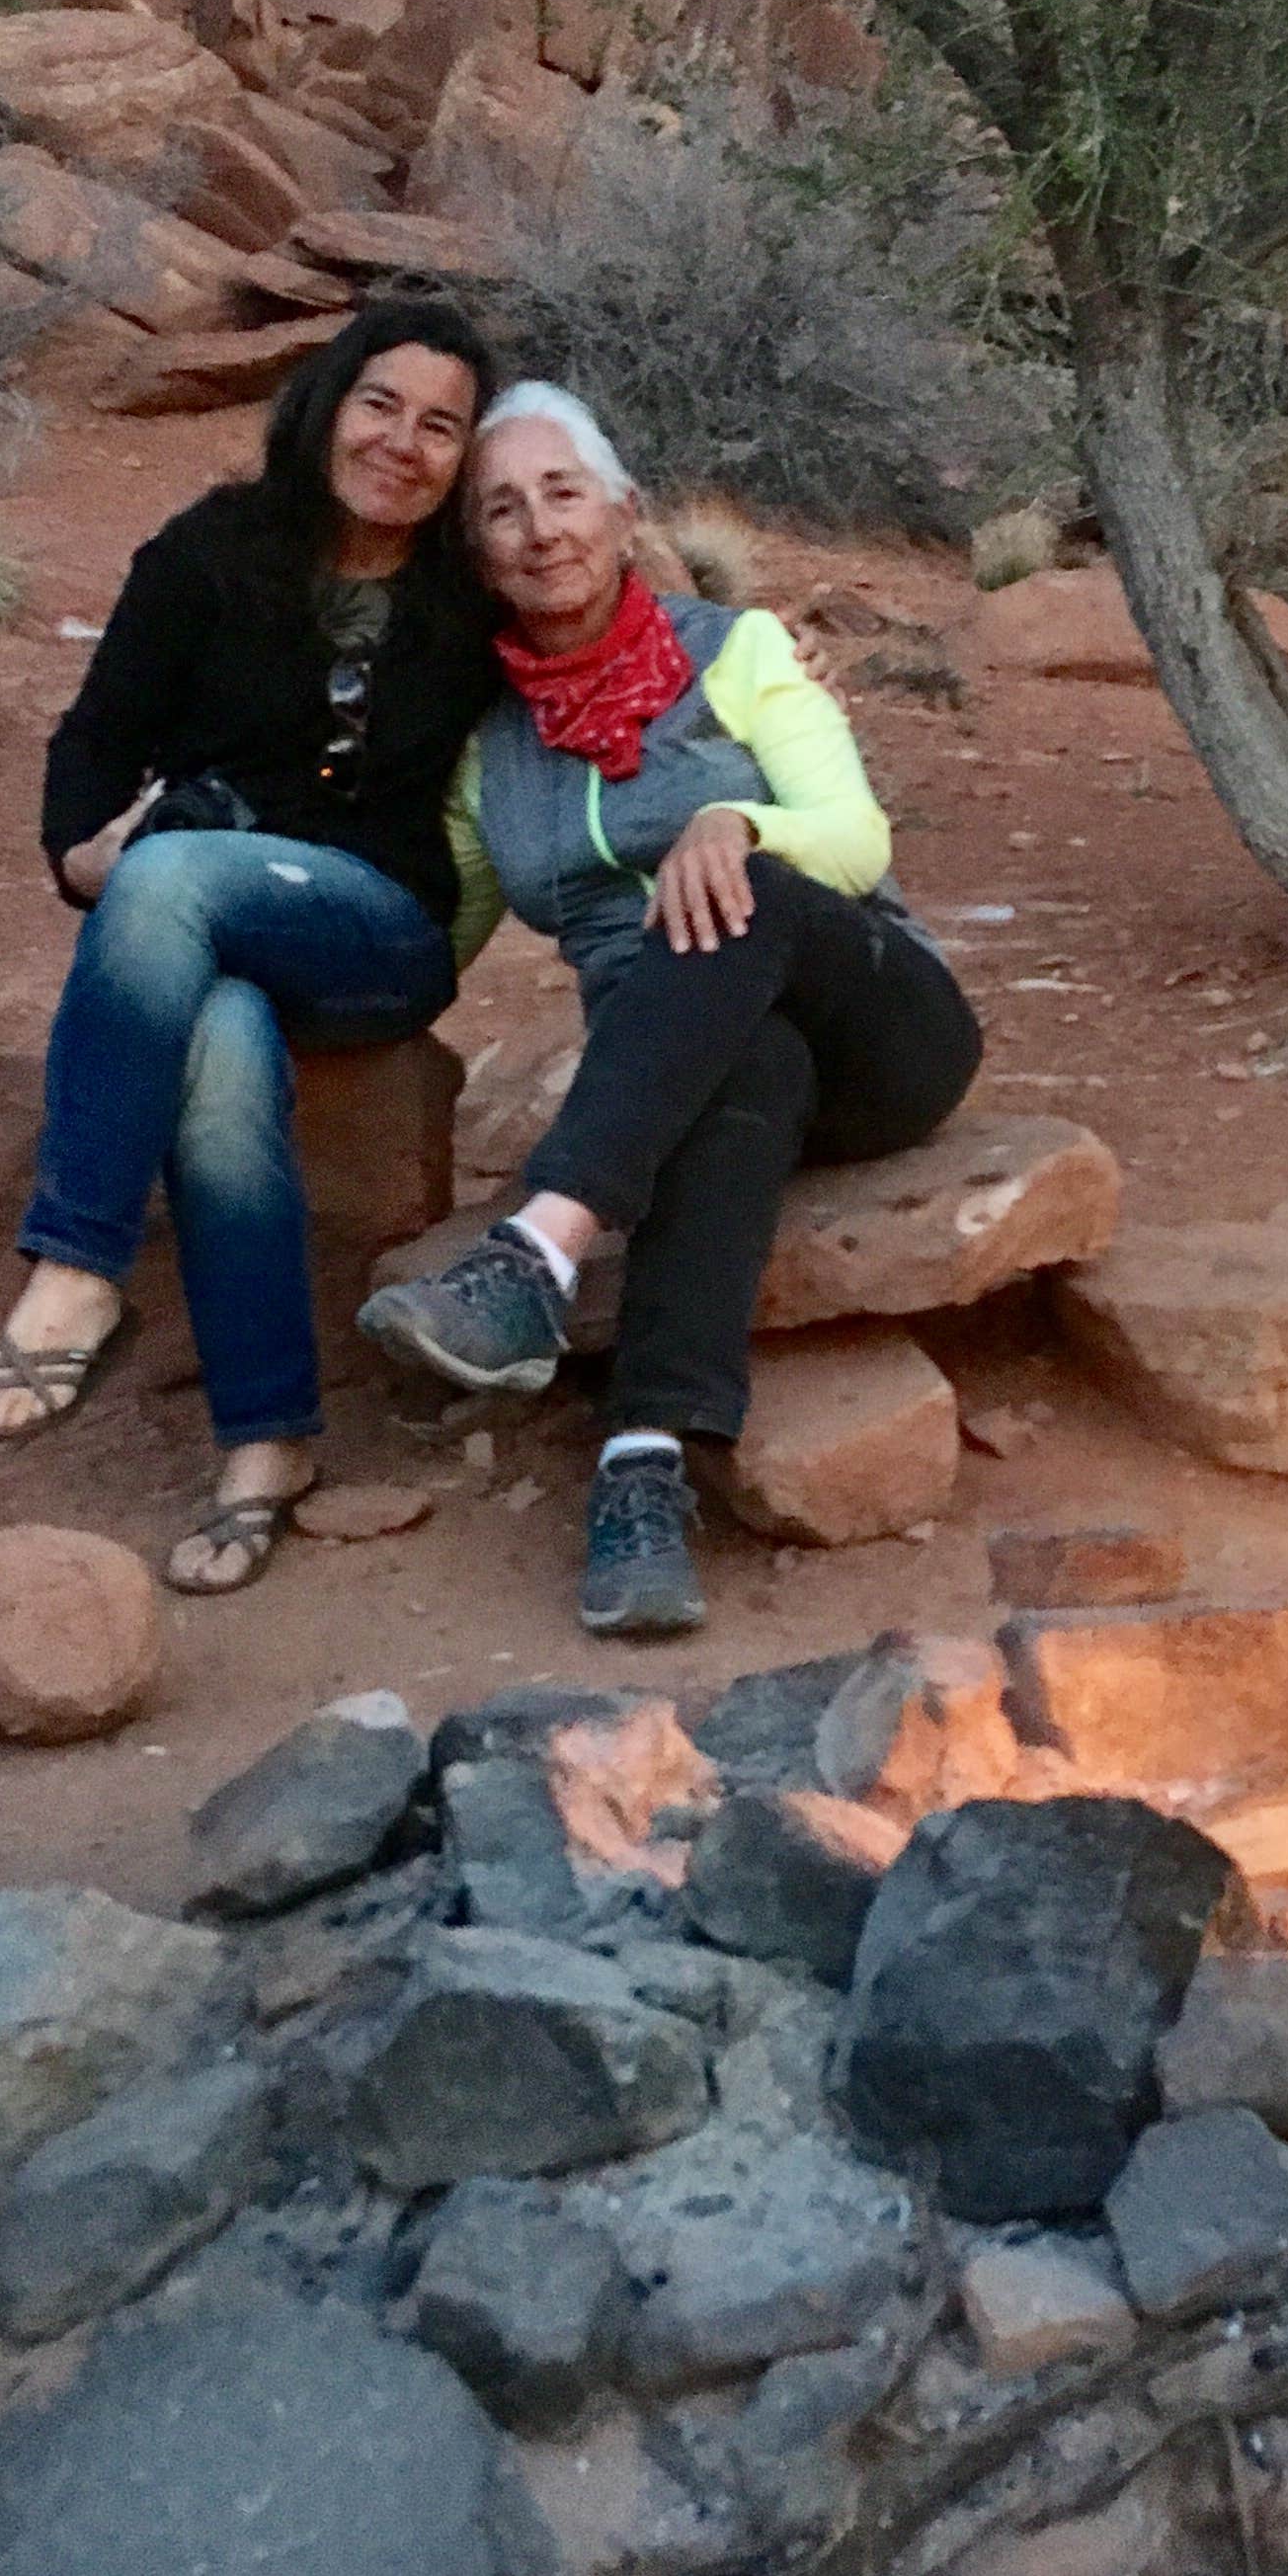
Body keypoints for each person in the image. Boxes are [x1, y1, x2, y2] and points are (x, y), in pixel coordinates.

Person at [359, 381, 983, 1636]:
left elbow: (854, 839)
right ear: (475, 552)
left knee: (741, 894)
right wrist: (270, 947)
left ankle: (536, 1255)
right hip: (707, 1063)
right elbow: (432, 944)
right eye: (502, 509)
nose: (541, 528)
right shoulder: (487, 751)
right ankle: (642, 1476)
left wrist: (732, 821)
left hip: (880, 1023)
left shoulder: (737, 651)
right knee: (740, 1067)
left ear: (624, 511)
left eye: (564, 493)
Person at [0, 291, 500, 1592]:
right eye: (379, 404)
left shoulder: (474, 595)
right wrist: (83, 856)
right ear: (326, 405)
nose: (401, 443)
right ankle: (267, 1441)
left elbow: (624, 622)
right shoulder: (211, 552)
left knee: (172, 870)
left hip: (377, 936)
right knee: (222, 1040)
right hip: (204, 924)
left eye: (440, 426)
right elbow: (96, 743)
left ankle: (79, 1261)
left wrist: (769, 661)